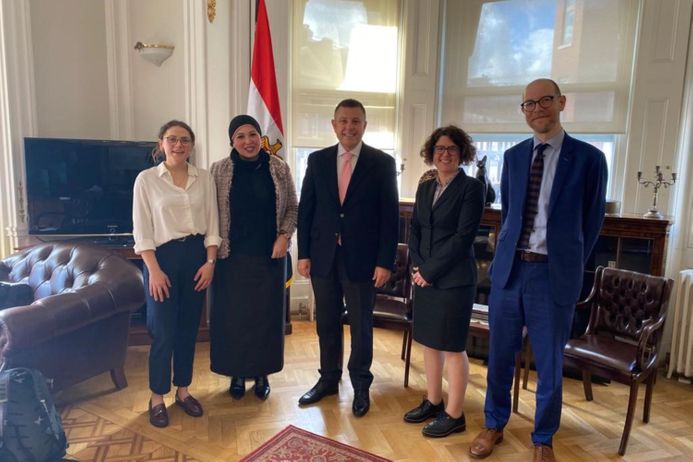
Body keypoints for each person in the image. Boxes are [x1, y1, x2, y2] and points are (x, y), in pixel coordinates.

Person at [469, 79, 607, 461]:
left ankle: (543, 438)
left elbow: (592, 221)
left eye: (544, 100)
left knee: (548, 363)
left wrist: (569, 263)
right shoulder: (513, 156)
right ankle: (493, 423)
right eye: (528, 104)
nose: (536, 109)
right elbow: (510, 213)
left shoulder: (589, 159)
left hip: (552, 276)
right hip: (511, 273)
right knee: (498, 356)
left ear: (561, 103)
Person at [297, 98, 399, 417]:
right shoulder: (317, 160)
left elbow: (390, 216)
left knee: (361, 325)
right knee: (326, 322)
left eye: (355, 121)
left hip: (363, 261)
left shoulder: (381, 163)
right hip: (323, 257)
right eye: (343, 120)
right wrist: (303, 254)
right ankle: (328, 379)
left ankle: (361, 385)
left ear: (364, 126)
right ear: (334, 124)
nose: (349, 126)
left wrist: (384, 261)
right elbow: (306, 210)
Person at [132, 120, 221, 428]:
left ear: (192, 145)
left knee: (187, 330)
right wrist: (153, 271)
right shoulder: (146, 180)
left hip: (197, 257)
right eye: (172, 139)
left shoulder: (204, 178)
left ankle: (183, 391)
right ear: (161, 144)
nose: (179, 145)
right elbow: (142, 231)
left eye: (184, 140)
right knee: (162, 331)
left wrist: (210, 263)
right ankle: (157, 396)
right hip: (161, 260)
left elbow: (213, 224)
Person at [209, 115, 297, 401]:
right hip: (230, 259)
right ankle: (236, 373)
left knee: (265, 319)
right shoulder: (218, 170)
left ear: (260, 137)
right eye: (240, 136)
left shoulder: (279, 168)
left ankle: (262, 374)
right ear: (232, 141)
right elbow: (209, 215)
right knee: (233, 319)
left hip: (269, 258)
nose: (248, 141)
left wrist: (284, 236)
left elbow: (293, 208)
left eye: (252, 135)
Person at [404, 126, 485, 437]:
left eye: (452, 148)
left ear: (462, 153)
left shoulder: (471, 189)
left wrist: (429, 271)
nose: (445, 153)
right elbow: (417, 231)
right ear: (432, 153)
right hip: (424, 278)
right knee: (429, 343)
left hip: (453, 281)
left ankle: (455, 414)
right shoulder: (425, 187)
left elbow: (463, 238)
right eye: (440, 148)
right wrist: (418, 267)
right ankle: (434, 400)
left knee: (451, 346)